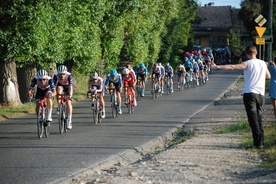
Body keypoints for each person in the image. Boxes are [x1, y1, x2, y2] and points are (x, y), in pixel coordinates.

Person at [211, 45, 271, 149]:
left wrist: (217, 67)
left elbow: (232, 67)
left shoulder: (247, 63)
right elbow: (268, 76)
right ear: (256, 52)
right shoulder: (262, 63)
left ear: (247, 54)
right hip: (261, 94)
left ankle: (258, 144)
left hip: (250, 94)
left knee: (253, 119)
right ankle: (261, 141)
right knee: (259, 117)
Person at [53, 65, 74, 130]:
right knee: (58, 90)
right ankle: (59, 105)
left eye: (63, 74)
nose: (62, 76)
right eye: (60, 74)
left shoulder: (69, 76)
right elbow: (53, 87)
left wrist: (70, 95)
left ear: (66, 73)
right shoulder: (56, 76)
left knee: (68, 103)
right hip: (60, 86)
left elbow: (70, 87)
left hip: (67, 87)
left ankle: (69, 121)